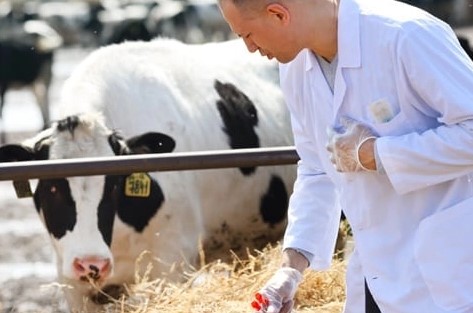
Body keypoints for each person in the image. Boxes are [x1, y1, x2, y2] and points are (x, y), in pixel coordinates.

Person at [217, 0, 473, 312]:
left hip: (448, 276)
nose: (250, 48)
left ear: (278, 14)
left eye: (248, 35)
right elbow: (317, 168)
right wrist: (291, 267)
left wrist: (377, 154)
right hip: (374, 277)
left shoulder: (405, 34)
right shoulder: (296, 67)